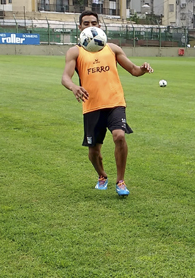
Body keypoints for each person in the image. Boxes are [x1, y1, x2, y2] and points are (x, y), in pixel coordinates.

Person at [61, 10, 153, 197]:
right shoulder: (75, 51)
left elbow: (134, 70)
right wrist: (73, 87)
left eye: (93, 23)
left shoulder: (112, 48)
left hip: (115, 102)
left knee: (119, 136)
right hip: (92, 105)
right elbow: (65, 77)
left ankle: (121, 181)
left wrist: (143, 69)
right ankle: (102, 175)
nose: (90, 26)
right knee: (94, 151)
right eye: (86, 23)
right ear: (80, 27)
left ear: (100, 25)